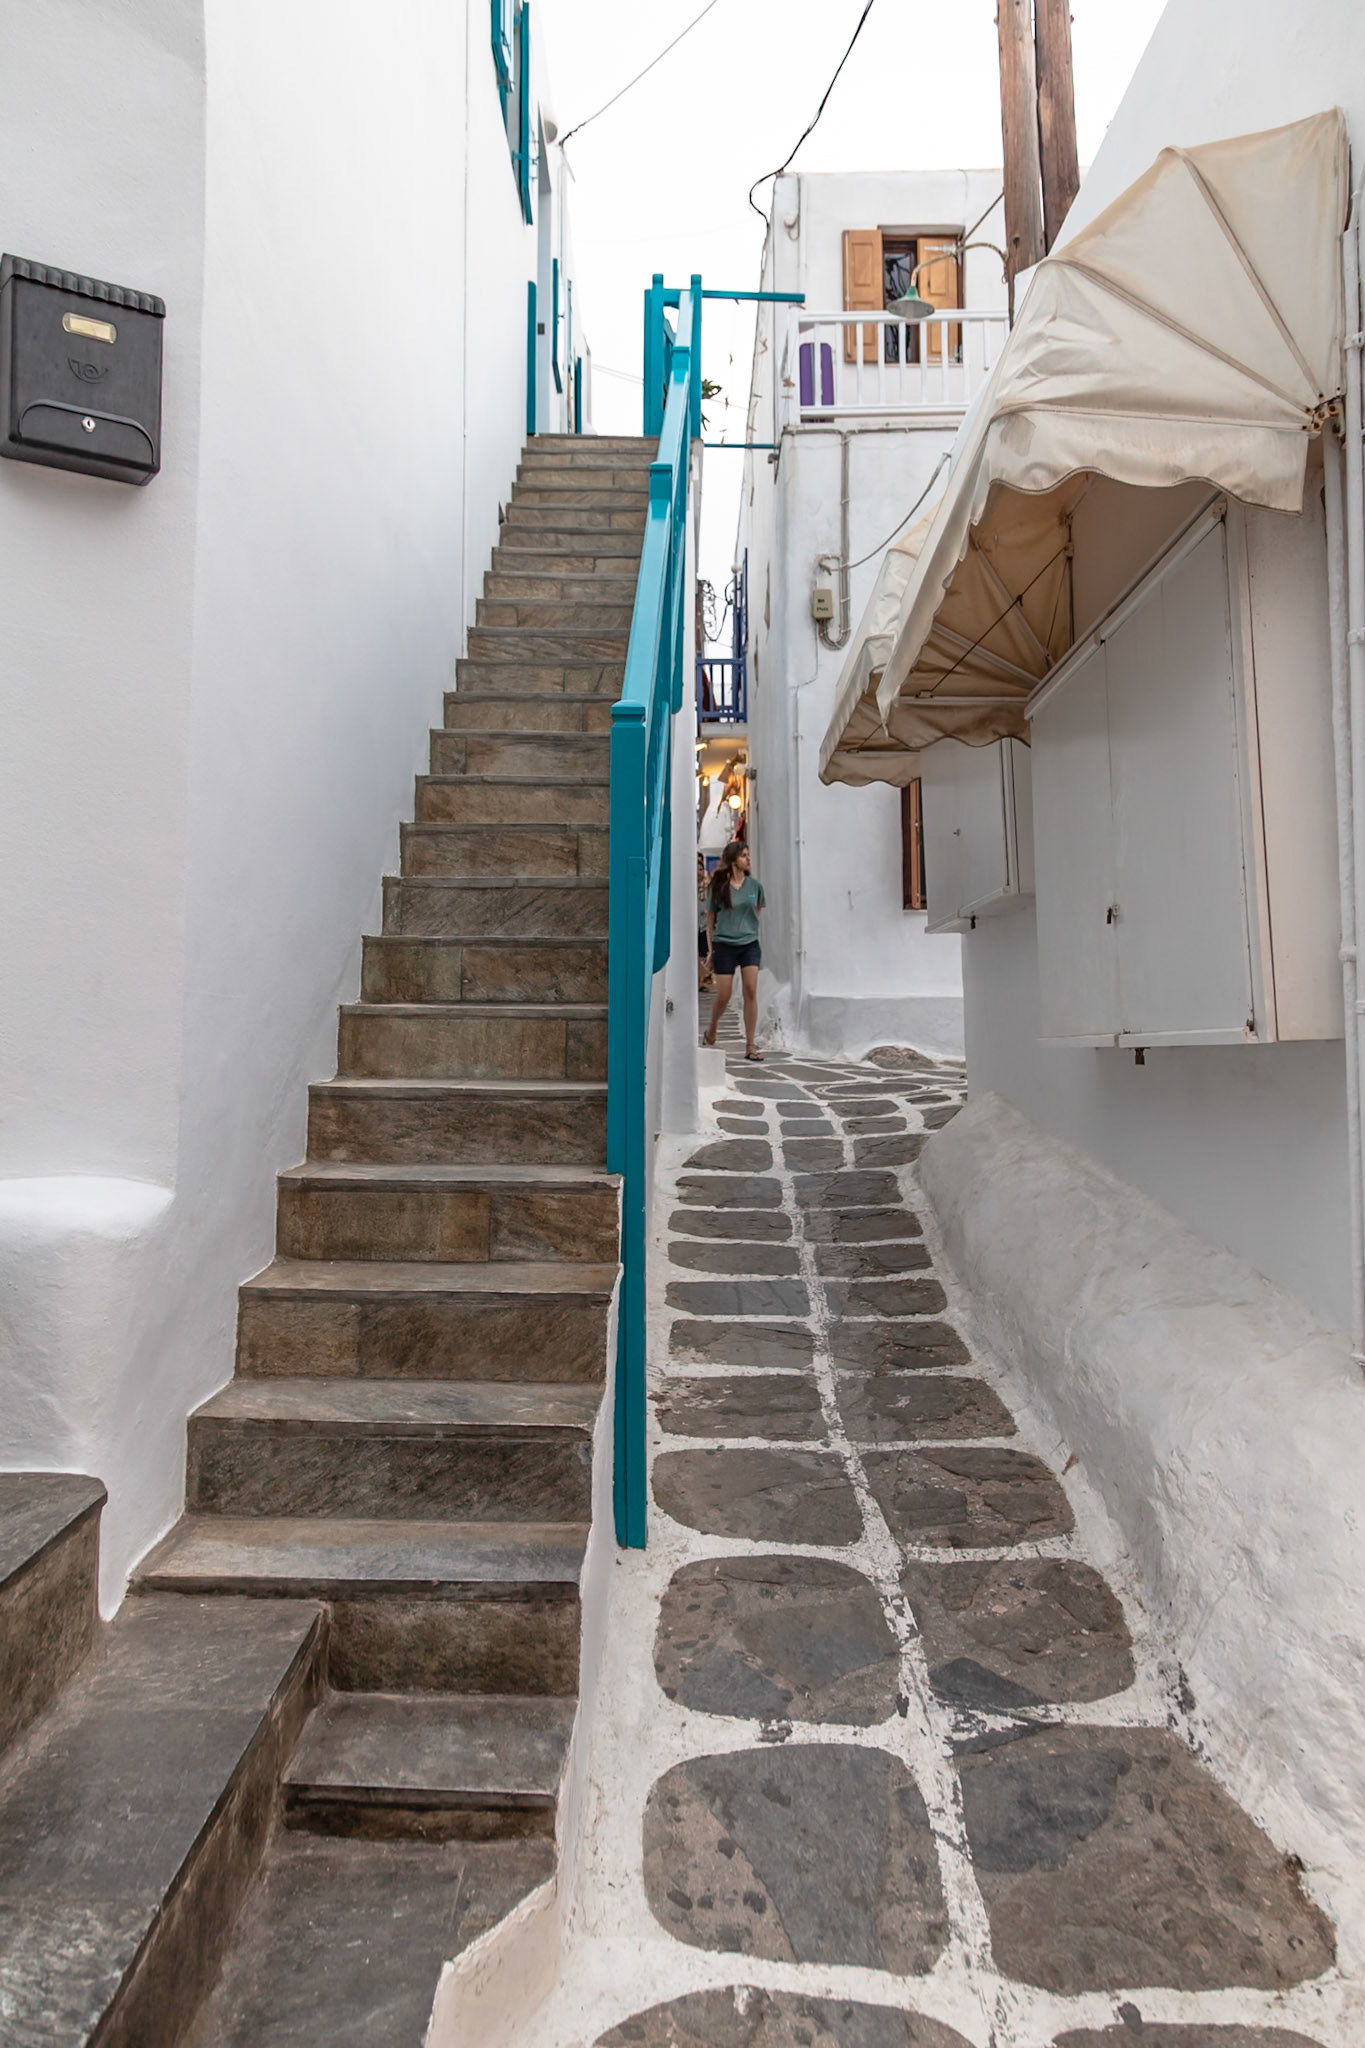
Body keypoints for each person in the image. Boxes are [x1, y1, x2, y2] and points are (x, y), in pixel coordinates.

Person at [702, 839, 765, 1061]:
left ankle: (750, 1045)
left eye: (748, 855)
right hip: (724, 945)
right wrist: (711, 951)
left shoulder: (755, 887)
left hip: (749, 945)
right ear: (733, 860)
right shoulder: (718, 887)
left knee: (750, 989)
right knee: (724, 994)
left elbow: (756, 913)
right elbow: (710, 921)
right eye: (743, 855)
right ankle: (712, 1029)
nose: (748, 859)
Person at [696, 854, 714, 991]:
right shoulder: (690, 887)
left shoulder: (708, 888)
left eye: (701, 869)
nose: (698, 872)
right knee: (696, 955)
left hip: (703, 925)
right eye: (696, 869)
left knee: (701, 955)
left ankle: (701, 981)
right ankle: (701, 979)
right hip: (693, 925)